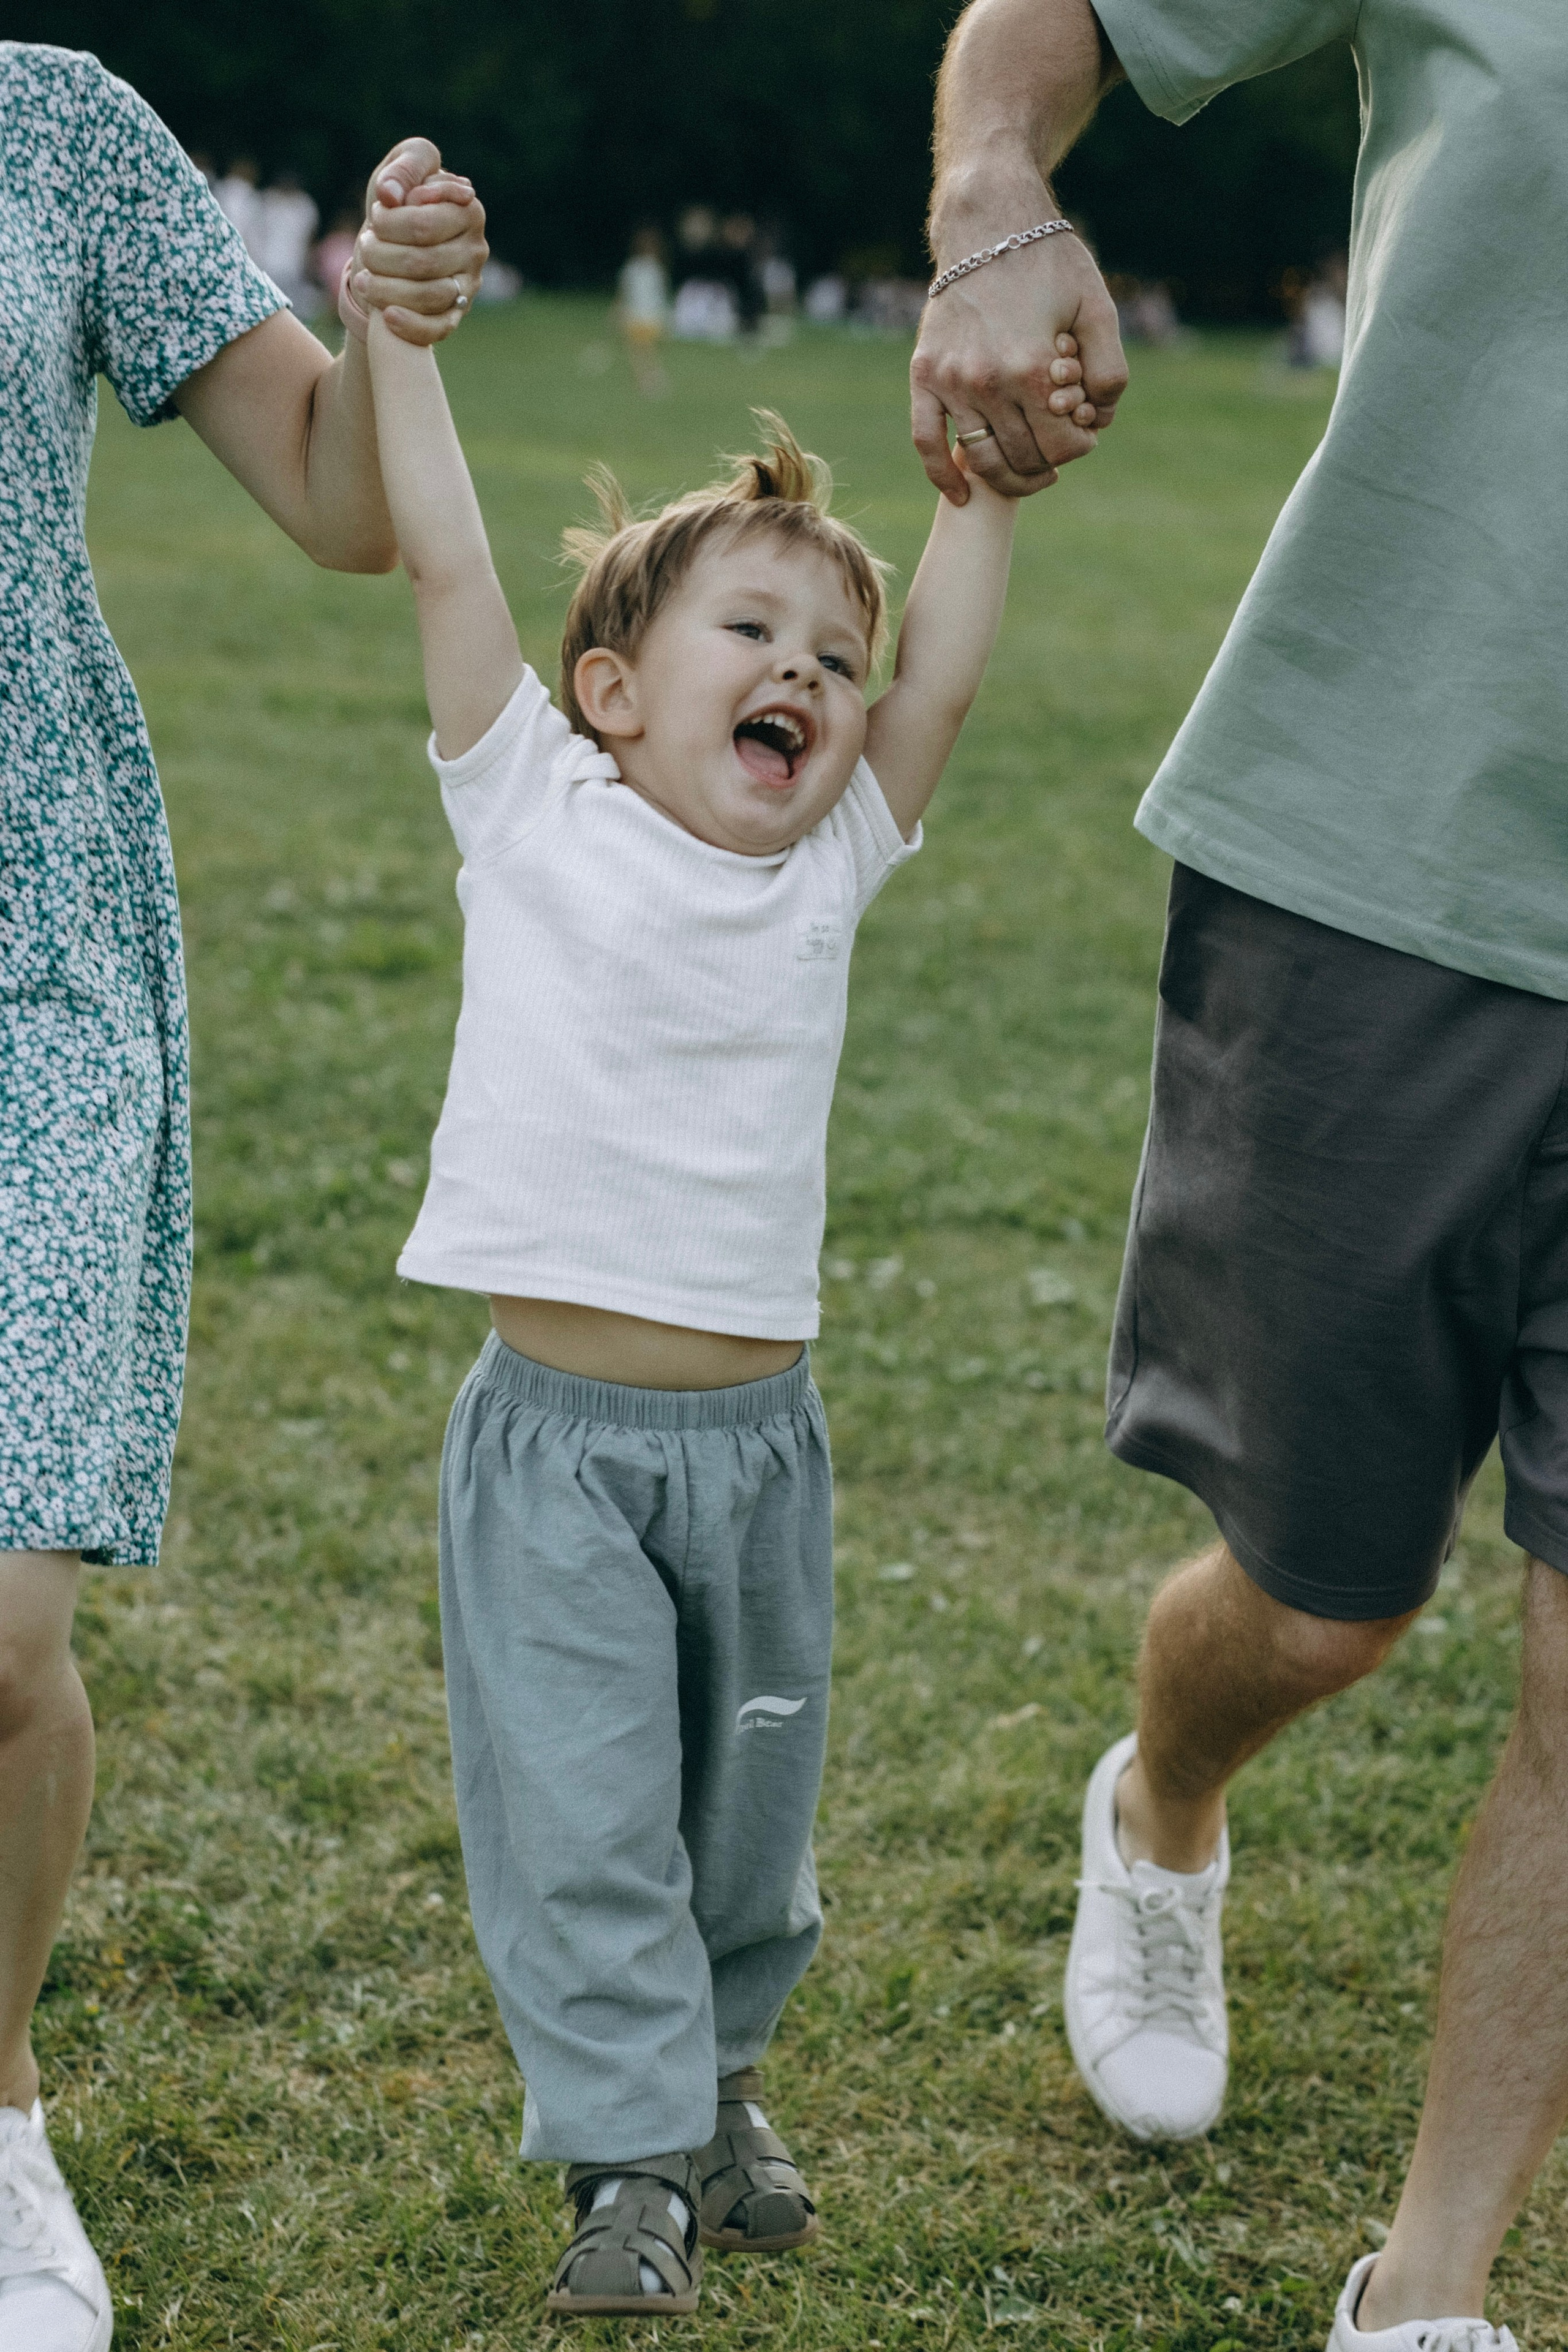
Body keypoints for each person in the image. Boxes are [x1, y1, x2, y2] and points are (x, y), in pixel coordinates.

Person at [915, 5, 1568, 2350]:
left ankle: (1425, 2289)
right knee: (1317, 1605)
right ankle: (1163, 1807)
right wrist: (994, 196)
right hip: (1384, 845)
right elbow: (1057, 27)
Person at [364, 268, 1061, 2303]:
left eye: (832, 658)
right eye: (749, 633)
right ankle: (628, 2163)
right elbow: (445, 561)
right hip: (555, 1456)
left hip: (760, 1453)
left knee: (748, 1820)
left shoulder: (828, 859)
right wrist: (400, 349)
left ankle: (721, 2072)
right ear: (611, 691)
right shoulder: (531, 805)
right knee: (591, 1813)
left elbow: (942, 690)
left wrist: (984, 499)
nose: (807, 677)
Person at [0, 40, 489, 2351]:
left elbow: (334, 492)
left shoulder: (55, 124)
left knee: (3, 1623)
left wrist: (386, 316)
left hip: (34, 935)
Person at [616, 225, 670, 394]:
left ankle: (648, 381)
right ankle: (651, 380)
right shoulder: (655, 269)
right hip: (649, 316)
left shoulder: (634, 268)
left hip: (639, 316)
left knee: (639, 352)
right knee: (646, 351)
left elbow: (624, 294)